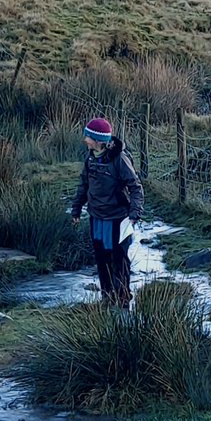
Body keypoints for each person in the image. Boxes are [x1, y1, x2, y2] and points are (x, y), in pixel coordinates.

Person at [70, 117, 144, 306]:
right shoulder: (90, 158)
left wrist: (134, 213)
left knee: (119, 259)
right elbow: (84, 185)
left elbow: (135, 187)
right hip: (96, 217)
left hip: (118, 219)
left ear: (98, 140)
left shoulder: (120, 159)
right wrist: (76, 209)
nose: (85, 139)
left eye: (88, 136)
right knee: (101, 259)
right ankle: (107, 296)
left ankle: (122, 298)